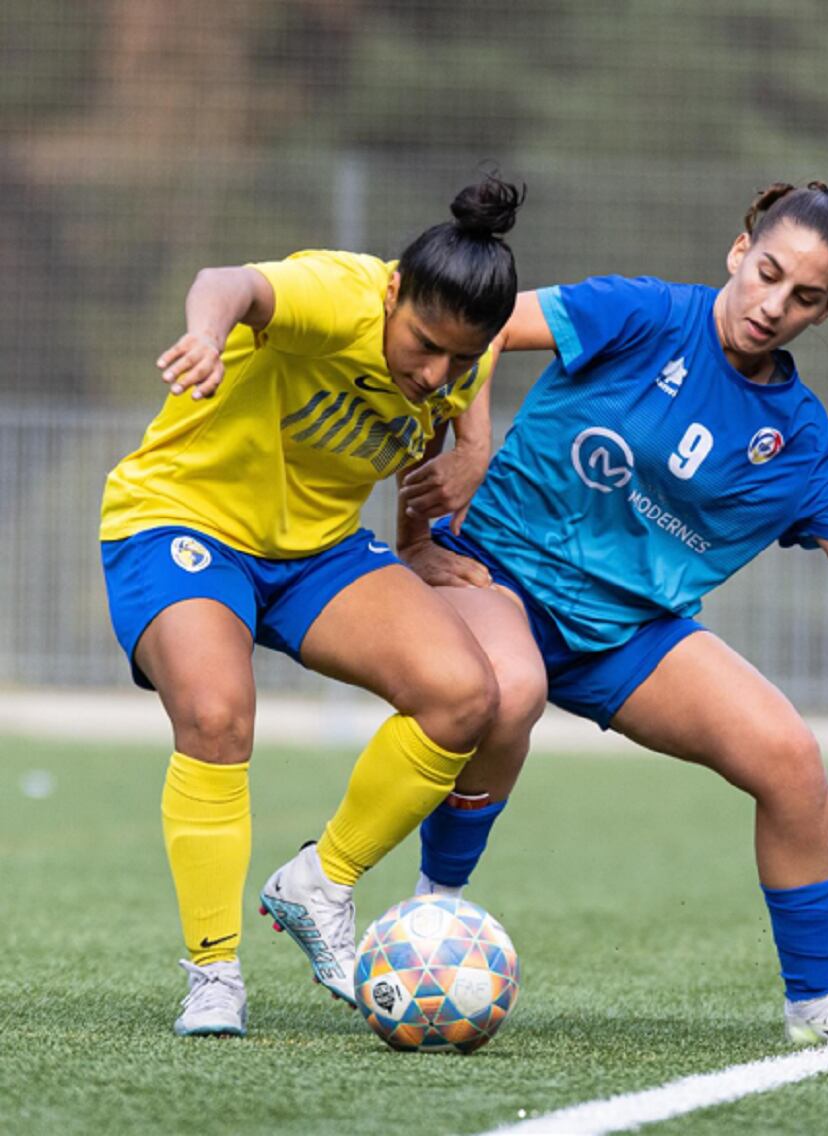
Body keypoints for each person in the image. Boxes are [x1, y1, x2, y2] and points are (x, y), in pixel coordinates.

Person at [396, 182, 828, 1052]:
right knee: (505, 694)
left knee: (789, 758)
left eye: (805, 297)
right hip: (493, 574)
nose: (774, 306)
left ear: (825, 313)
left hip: (625, 636)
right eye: (769, 274)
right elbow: (477, 330)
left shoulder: (797, 440)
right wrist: (472, 453)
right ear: (738, 250)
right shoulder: (638, 312)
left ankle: (816, 1004)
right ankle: (430, 912)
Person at [99, 174, 525, 1037]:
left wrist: (418, 542)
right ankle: (213, 972)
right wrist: (205, 336)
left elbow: (434, 431)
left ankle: (320, 882)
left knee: (465, 694)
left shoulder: (455, 360)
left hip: (315, 551)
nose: (434, 369)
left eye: (459, 356)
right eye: (423, 344)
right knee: (217, 714)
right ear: (395, 291)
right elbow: (232, 282)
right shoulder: (341, 296)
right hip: (181, 519)